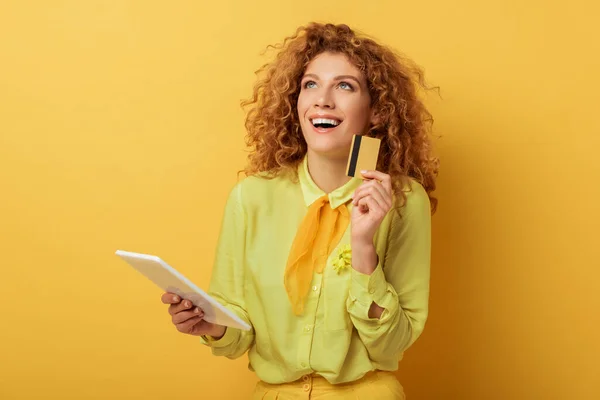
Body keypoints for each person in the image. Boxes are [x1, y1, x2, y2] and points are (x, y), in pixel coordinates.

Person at [161, 22, 439, 399]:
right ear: (296, 103)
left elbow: (391, 345)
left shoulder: (404, 201)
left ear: (376, 112)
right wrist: (208, 323)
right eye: (311, 84)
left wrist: (363, 246)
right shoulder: (251, 198)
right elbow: (238, 334)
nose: (322, 99)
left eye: (345, 85)